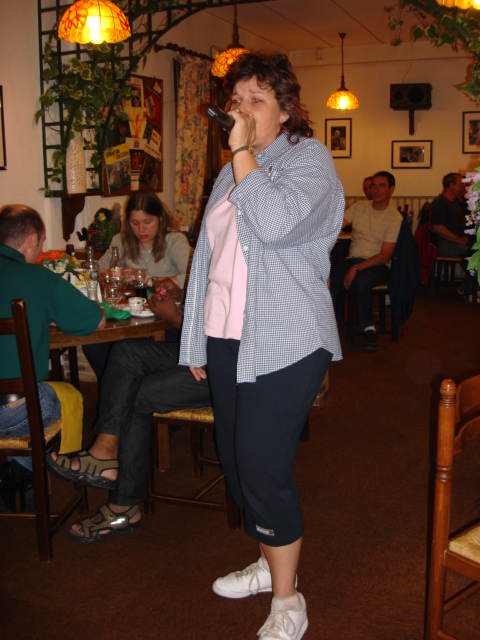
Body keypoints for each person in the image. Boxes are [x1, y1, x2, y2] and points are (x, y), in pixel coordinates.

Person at [178, 52, 344, 640]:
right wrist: (196, 337)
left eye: (256, 100)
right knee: (236, 458)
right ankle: (267, 556)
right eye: (236, 101)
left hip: (285, 342)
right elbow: (209, 261)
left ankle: (288, 598)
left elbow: (275, 225)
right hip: (227, 340)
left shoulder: (310, 161)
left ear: (285, 110)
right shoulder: (229, 172)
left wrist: (243, 150)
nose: (241, 111)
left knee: (265, 470)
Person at [46, 289, 211, 541]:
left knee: (133, 394)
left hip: (227, 366)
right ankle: (105, 451)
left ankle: (123, 507)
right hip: (200, 350)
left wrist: (176, 318)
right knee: (126, 352)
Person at [0, 205, 105, 511]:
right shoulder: (36, 278)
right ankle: (30, 472)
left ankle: (18, 474)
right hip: (13, 411)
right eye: (42, 243)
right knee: (68, 395)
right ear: (32, 240)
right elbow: (94, 320)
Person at [84, 191, 191, 378]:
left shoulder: (175, 240)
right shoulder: (121, 240)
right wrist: (118, 274)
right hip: (130, 317)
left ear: (159, 218)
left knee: (134, 351)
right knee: (93, 345)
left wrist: (147, 280)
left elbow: (192, 277)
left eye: (147, 222)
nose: (141, 229)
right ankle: (122, 389)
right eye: (135, 223)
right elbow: (95, 271)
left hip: (165, 319)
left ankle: (134, 390)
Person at [329, 171, 402, 353]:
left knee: (360, 281)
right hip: (353, 259)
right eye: (373, 186)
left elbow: (385, 255)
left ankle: (369, 329)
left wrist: (356, 268)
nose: (375, 189)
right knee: (328, 278)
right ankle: (327, 325)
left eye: (381, 186)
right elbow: (335, 227)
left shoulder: (395, 217)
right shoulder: (359, 207)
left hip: (379, 265)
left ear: (391, 189)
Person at [430, 173, 471, 258]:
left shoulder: (455, 203)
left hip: (454, 242)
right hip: (445, 243)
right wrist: (457, 239)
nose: (463, 187)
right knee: (473, 253)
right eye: (460, 184)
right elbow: (437, 227)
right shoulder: (440, 202)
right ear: (451, 186)